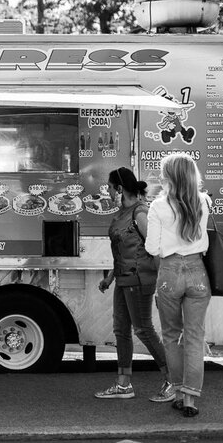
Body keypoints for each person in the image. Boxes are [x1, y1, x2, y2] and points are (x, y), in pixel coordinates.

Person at [94, 167, 173, 403]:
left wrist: (163, 281)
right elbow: (121, 250)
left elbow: (156, 247)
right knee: (121, 330)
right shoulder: (121, 213)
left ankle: (173, 380)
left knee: (143, 329)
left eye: (109, 187)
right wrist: (110, 277)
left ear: (119, 188)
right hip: (123, 279)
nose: (107, 191)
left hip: (140, 279)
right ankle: (124, 384)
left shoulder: (140, 213)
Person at [145, 152, 211, 418]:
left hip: (170, 272)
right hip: (198, 272)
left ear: (169, 177)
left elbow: (151, 247)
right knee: (195, 337)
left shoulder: (158, 207)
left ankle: (177, 389)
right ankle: (190, 400)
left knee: (172, 336)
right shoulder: (204, 201)